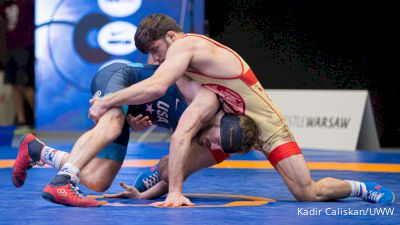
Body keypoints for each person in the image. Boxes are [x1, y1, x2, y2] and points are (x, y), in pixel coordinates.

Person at [88, 14, 395, 206]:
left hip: (264, 126)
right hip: (228, 129)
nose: (154, 60)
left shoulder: (186, 47)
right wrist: (151, 194)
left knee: (307, 193)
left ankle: (360, 187)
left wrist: (106, 100)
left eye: (155, 51)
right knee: (171, 168)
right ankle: (157, 179)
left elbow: (156, 86)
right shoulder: (180, 62)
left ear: (171, 37)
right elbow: (171, 108)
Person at [12, 62, 258, 207]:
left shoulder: (203, 133)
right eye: (216, 140)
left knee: (98, 181)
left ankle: (38, 151)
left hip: (131, 110)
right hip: (120, 79)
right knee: (112, 124)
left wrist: (142, 194)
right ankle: (62, 182)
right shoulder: (203, 100)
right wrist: (106, 102)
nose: (211, 144)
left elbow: (172, 172)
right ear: (220, 123)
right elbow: (176, 139)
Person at [0, 0, 35, 127]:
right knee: (14, 85)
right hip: (11, 48)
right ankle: (21, 120)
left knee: (24, 85)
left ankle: (39, 116)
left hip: (25, 47)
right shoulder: (5, 6)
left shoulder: (27, 2)